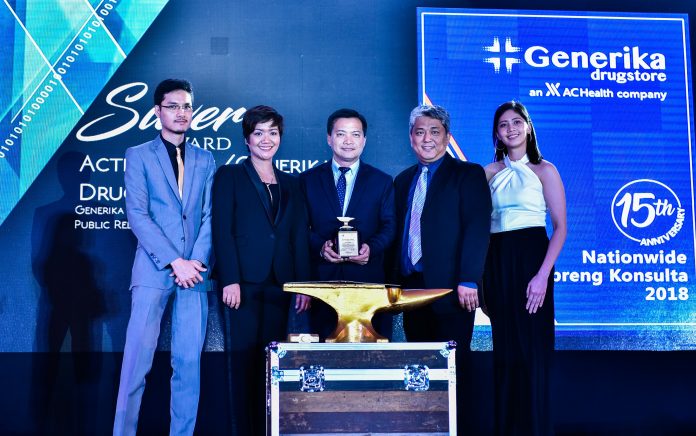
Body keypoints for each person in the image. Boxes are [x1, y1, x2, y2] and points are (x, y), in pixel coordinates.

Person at [113, 79, 216, 436]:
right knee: (135, 364)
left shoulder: (205, 158)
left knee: (188, 365)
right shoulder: (139, 154)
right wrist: (175, 261)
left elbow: (209, 215)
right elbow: (137, 215)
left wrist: (195, 262)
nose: (181, 113)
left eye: (187, 106)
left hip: (195, 274)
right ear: (158, 111)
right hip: (154, 270)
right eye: (173, 106)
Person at [212, 105, 311, 436]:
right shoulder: (229, 176)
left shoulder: (292, 183)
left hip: (280, 285)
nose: (266, 139)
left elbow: (298, 236)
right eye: (258, 133)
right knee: (242, 366)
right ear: (247, 139)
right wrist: (230, 279)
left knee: (271, 366)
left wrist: (301, 285)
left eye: (273, 132)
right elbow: (222, 231)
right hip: (243, 285)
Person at [393, 104, 491, 429]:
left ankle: (458, 429)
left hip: (453, 290)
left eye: (435, 132)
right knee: (419, 369)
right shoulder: (402, 181)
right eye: (420, 132)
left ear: (447, 137)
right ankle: (424, 430)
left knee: (453, 368)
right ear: (411, 137)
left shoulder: (468, 174)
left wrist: (469, 279)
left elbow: (477, 228)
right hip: (412, 291)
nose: (427, 139)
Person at [482, 101, 567, 435]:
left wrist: (542, 275)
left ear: (528, 126)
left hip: (533, 260)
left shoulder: (546, 170)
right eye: (504, 124)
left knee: (532, 352)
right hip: (497, 262)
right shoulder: (487, 172)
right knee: (505, 352)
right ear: (497, 133)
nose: (511, 129)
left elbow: (560, 227)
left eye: (517, 122)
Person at [301, 108, 396, 340]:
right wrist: (320, 247)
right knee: (323, 352)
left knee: (368, 354)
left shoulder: (382, 181)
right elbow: (299, 227)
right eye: (341, 134)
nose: (348, 141)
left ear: (364, 140)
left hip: (368, 285)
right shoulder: (307, 180)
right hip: (322, 285)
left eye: (355, 134)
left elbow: (389, 225)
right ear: (329, 138)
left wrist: (371, 248)